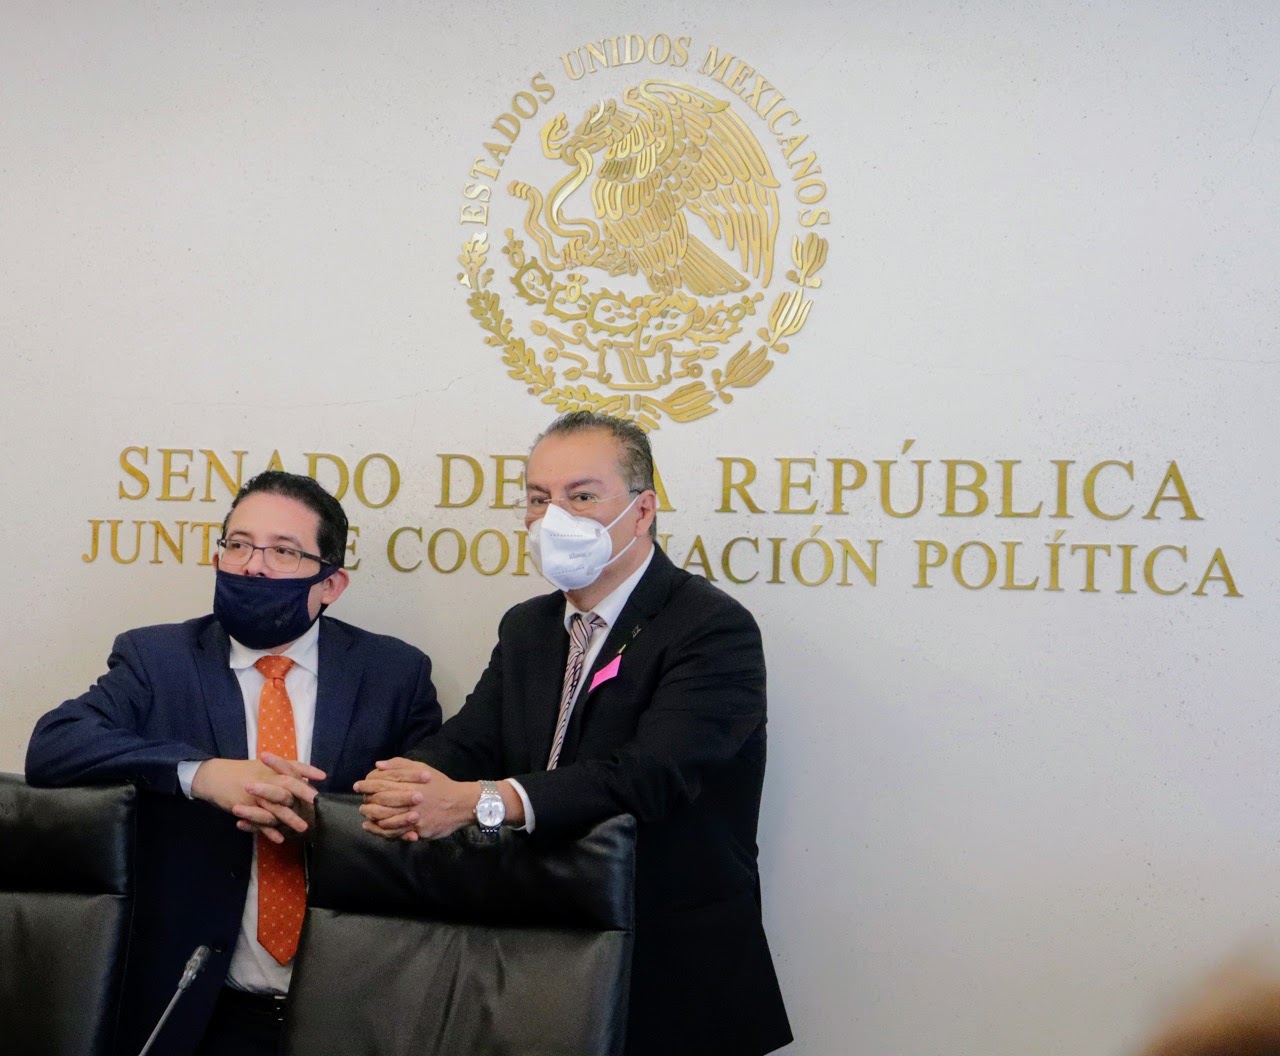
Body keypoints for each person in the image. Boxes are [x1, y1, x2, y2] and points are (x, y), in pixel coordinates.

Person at [356, 411, 793, 1056]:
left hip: (669, 969)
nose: (553, 517)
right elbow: (471, 740)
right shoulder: (528, 626)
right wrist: (405, 782)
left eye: (582, 497)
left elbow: (648, 776)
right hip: (539, 954)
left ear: (642, 512)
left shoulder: (710, 627)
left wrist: (481, 802)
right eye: (539, 499)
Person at [25, 470, 441, 1056]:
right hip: (198, 1003)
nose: (253, 567)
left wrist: (325, 823)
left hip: (351, 1004)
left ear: (331, 584)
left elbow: (425, 827)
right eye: (239, 544)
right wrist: (202, 775)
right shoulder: (158, 658)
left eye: (282, 552)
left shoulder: (393, 674)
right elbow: (54, 744)